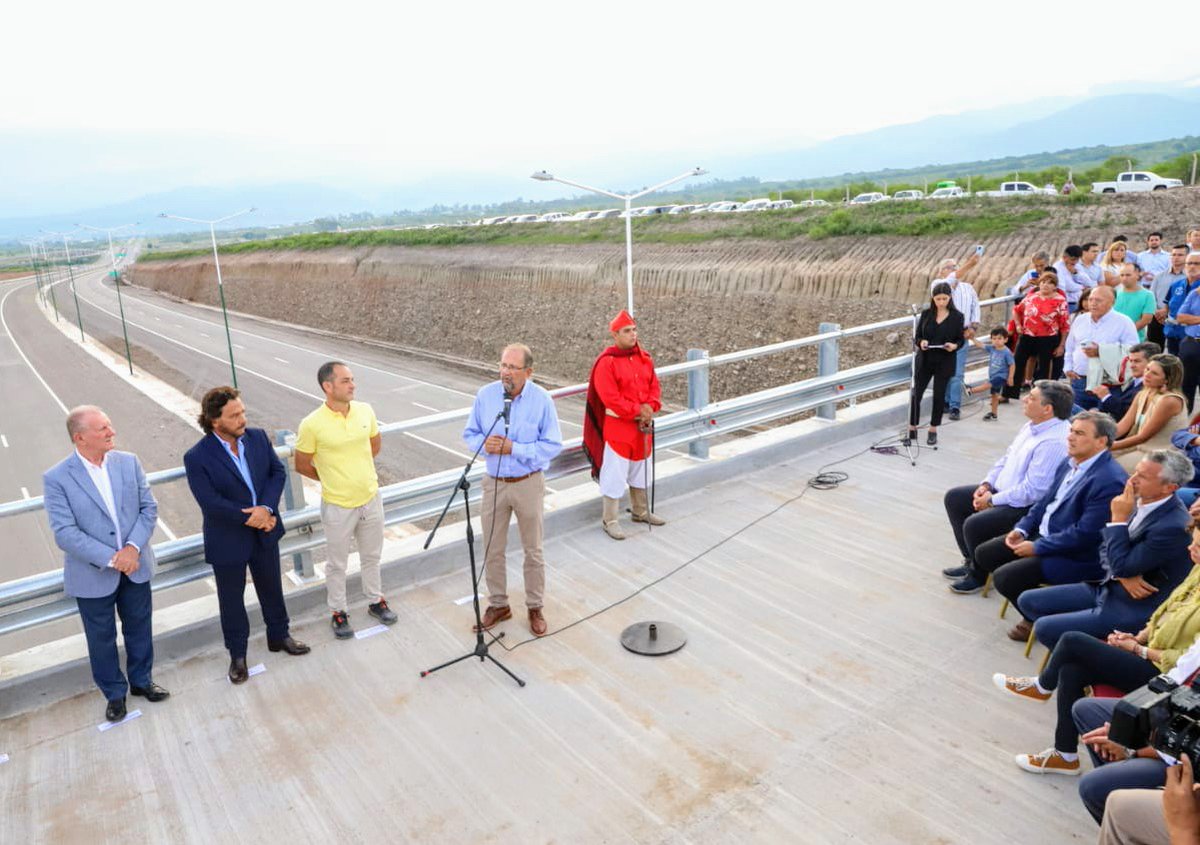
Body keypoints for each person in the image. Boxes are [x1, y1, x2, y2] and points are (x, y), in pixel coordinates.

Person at [991, 527, 1200, 810]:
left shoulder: (1170, 523)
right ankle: (1065, 754)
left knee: (1073, 641)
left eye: (1198, 547)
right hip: (1145, 647)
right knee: (1074, 667)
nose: (1190, 551)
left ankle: (1043, 686)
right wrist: (1136, 637)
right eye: (1193, 543)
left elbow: (1185, 662)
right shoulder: (1196, 571)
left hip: (1165, 676)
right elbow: (1165, 611)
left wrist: (1138, 649)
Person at [43, 406, 168, 723]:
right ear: (80, 437)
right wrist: (114, 558)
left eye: (109, 425)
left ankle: (141, 682)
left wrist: (132, 548)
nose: (111, 432)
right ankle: (115, 695)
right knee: (101, 639)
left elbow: (148, 509)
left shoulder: (129, 462)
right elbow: (65, 533)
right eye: (103, 429)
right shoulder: (57, 478)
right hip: (94, 573)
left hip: (135, 564)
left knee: (140, 628)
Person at [183, 387, 310, 684]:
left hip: (264, 531)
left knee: (272, 588)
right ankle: (238, 655)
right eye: (235, 415)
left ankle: (279, 636)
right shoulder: (197, 457)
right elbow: (210, 502)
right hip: (228, 538)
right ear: (215, 421)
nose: (243, 419)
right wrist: (254, 516)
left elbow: (276, 473)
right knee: (231, 600)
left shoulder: (257, 437)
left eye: (243, 412)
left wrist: (266, 508)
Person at [1014, 450, 1192, 648]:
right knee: (1028, 601)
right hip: (1109, 585)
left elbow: (1122, 563)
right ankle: (1075, 647)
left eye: (1143, 476)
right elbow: (1103, 546)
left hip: (1129, 606)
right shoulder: (1132, 499)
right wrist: (1122, 575)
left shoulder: (1173, 527)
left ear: (1169, 487)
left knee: (1045, 628)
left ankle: (1073, 665)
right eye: (1136, 471)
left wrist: (1118, 521)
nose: (1132, 479)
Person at [949, 411, 1127, 597]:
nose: (1070, 437)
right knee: (984, 555)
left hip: (1071, 552)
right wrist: (1022, 529)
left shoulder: (1109, 481)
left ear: (1101, 441)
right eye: (1071, 431)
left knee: (1005, 578)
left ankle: (1035, 615)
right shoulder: (1070, 462)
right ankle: (1029, 591)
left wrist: (1038, 547)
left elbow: (1085, 534)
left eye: (1079, 434)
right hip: (1043, 533)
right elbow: (1044, 502)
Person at [463, 343, 563, 636]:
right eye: (503, 365)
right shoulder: (486, 395)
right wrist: (484, 444)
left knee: (533, 550)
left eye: (512, 368)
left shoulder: (542, 400)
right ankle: (498, 604)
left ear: (528, 372)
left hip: (528, 483)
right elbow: (470, 434)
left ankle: (535, 606)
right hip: (494, 484)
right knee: (492, 549)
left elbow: (552, 445)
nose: (505, 372)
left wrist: (514, 448)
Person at [294, 361, 397, 639]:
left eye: (352, 379)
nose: (352, 385)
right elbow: (302, 464)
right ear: (328, 386)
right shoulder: (311, 424)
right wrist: (333, 477)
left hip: (370, 498)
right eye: (345, 381)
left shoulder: (365, 411)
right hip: (338, 506)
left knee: (372, 556)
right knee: (337, 563)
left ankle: (376, 601)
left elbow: (374, 445)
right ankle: (338, 612)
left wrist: (355, 472)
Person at [941, 381, 1072, 582]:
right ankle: (972, 561)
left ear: (1047, 409)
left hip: (1025, 506)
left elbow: (1033, 491)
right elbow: (1007, 458)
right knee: (955, 498)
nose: (1024, 399)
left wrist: (992, 500)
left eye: (1032, 398)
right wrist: (986, 485)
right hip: (1003, 491)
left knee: (974, 525)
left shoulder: (1054, 442)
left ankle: (979, 575)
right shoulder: (1032, 425)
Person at [583, 309, 666, 540]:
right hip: (619, 429)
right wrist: (639, 410)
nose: (633, 335)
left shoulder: (645, 359)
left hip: (642, 428)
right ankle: (609, 519)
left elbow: (654, 388)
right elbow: (611, 398)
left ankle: (640, 511)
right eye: (627, 331)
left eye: (634, 330)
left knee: (641, 469)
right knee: (615, 473)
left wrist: (650, 406)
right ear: (615, 335)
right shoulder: (606, 363)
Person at [903, 282, 964, 447]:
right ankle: (912, 427)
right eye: (938, 299)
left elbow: (961, 339)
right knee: (916, 393)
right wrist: (921, 342)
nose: (941, 302)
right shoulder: (926, 314)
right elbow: (917, 337)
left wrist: (954, 346)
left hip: (944, 360)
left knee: (939, 395)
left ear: (950, 298)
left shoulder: (957, 317)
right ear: (933, 298)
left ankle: (933, 429)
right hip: (925, 359)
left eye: (944, 299)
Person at [1063, 284, 1141, 410]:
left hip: (1109, 384)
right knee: (1076, 422)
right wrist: (1068, 367)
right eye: (1091, 299)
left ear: (1112, 302)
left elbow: (1133, 351)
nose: (1093, 303)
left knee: (1105, 423)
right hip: (1079, 380)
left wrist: (1101, 351)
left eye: (1098, 300)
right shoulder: (1080, 320)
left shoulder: (1124, 322)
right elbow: (1070, 346)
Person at [1111, 354, 1189, 473]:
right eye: (1147, 369)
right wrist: (1100, 438)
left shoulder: (1169, 401)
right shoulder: (1142, 394)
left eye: (1154, 373)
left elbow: (1143, 437)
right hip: (1139, 448)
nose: (1147, 374)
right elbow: (1122, 426)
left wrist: (1107, 446)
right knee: (1093, 455)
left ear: (1167, 380)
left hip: (1161, 456)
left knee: (1107, 465)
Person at [931, 263, 981, 420]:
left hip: (962, 335)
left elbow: (976, 307)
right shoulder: (938, 285)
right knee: (943, 371)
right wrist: (971, 262)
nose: (954, 269)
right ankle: (945, 402)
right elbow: (951, 281)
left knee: (957, 374)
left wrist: (973, 327)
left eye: (955, 266)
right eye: (950, 266)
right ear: (941, 271)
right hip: (943, 334)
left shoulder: (968, 288)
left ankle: (954, 406)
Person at [1011, 271, 1069, 388]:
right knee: (1017, 362)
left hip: (1048, 338)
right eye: (1043, 282)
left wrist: (1061, 345)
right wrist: (1018, 325)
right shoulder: (1031, 297)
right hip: (1027, 335)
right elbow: (1016, 310)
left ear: (1055, 286)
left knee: (1044, 366)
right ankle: (1010, 392)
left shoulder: (1060, 300)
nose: (1045, 285)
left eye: (1050, 283)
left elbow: (1065, 325)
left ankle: (1041, 392)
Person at [1092, 342, 1162, 423]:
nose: (1131, 366)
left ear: (1151, 362)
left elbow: (1127, 413)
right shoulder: (1135, 380)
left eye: (1137, 361)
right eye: (1130, 361)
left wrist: (1106, 397)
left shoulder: (1150, 385)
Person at [1170, 254, 1200, 413]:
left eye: (1196, 263)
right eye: (1189, 263)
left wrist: (1192, 319)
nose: (1192, 266)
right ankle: (1184, 424)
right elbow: (1181, 317)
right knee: (1186, 384)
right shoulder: (1195, 293)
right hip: (1191, 342)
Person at [967, 327, 1015, 420]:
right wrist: (972, 338)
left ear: (1005, 339)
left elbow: (1012, 365)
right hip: (993, 375)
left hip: (1001, 376)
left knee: (987, 385)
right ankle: (994, 414)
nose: (996, 341)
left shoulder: (1006, 352)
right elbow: (980, 345)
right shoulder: (992, 348)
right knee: (994, 395)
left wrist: (1010, 377)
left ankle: (970, 391)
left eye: (999, 338)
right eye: (994, 338)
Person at [1150, 244, 1191, 349]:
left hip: (1180, 320)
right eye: (1173, 255)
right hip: (1158, 318)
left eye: (1180, 255)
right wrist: (1157, 312)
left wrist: (1167, 311)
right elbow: (1151, 296)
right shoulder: (1159, 276)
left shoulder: (1191, 277)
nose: (1175, 257)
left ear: (1187, 256)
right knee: (1154, 350)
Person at [1115, 264, 1158, 342]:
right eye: (1122, 275)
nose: (1124, 278)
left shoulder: (1148, 295)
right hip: (1113, 340)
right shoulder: (1114, 293)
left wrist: (1125, 333)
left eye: (1128, 275)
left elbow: (1146, 320)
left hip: (1135, 341)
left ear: (1137, 275)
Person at [1054, 245, 1093, 310]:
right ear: (1064, 257)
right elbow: (1067, 286)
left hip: (1079, 302)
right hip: (1067, 303)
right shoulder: (1057, 267)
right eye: (1072, 259)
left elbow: (1089, 283)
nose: (1075, 262)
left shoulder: (1077, 265)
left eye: (1077, 259)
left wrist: (1075, 273)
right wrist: (1082, 287)